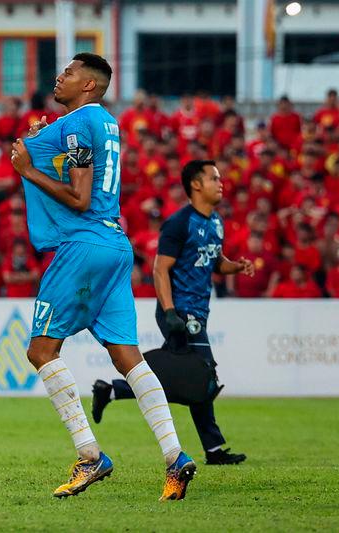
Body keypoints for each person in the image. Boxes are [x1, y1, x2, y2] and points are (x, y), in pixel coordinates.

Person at [10, 52, 196, 501]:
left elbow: (78, 196)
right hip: (115, 243)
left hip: (84, 244)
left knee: (41, 350)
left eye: (70, 72)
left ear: (89, 85)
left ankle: (90, 455)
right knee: (127, 356)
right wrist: (42, 141)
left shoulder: (77, 124)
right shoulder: (106, 123)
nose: (60, 76)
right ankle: (175, 458)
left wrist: (28, 169)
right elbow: (78, 164)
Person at [91, 160, 254, 466]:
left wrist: (236, 266)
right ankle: (214, 448)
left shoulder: (215, 222)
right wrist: (169, 312)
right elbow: (159, 268)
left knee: (190, 376)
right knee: (203, 373)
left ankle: (112, 391)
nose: (221, 183)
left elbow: (215, 261)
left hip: (197, 310)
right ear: (196, 184)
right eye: (214, 178)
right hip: (179, 310)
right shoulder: (179, 223)